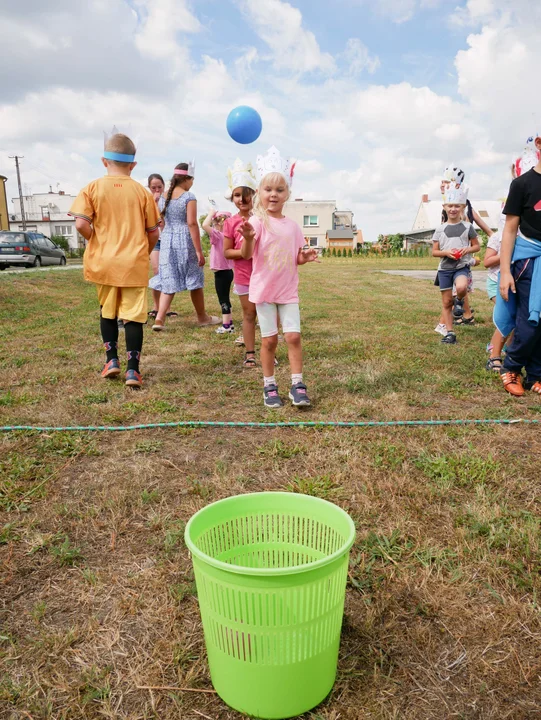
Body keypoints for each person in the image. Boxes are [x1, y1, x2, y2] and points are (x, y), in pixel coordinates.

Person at [69, 129, 161, 388]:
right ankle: (133, 370)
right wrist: (143, 250)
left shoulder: (92, 188)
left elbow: (79, 224)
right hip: (133, 262)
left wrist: (96, 239)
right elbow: (153, 231)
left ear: (104, 161)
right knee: (133, 317)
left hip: (104, 262)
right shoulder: (143, 193)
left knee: (107, 312)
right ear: (133, 164)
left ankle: (111, 360)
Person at [239, 146, 319, 407]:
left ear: (287, 194)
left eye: (279, 190)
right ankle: (269, 386)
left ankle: (297, 383)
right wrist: (249, 238)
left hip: (288, 291)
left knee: (293, 336)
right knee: (270, 340)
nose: (273, 195)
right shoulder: (257, 223)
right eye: (268, 190)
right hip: (264, 291)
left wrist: (303, 258)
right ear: (259, 194)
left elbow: (295, 255)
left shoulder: (293, 226)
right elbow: (246, 253)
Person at [149, 161, 219, 331]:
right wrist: (198, 251)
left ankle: (159, 319)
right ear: (187, 179)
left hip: (167, 241)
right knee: (194, 279)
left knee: (169, 278)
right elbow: (192, 224)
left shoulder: (163, 197)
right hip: (185, 241)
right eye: (192, 180)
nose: (192, 183)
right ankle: (202, 317)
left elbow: (162, 222)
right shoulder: (189, 197)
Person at [496, 135, 541, 397]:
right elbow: (510, 230)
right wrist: (504, 272)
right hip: (528, 260)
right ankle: (511, 366)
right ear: (539, 143)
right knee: (530, 322)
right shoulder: (522, 184)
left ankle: (536, 373)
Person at [433, 166, 493, 335]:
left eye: (445, 181)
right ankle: (465, 315)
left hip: (462, 256)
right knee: (458, 290)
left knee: (458, 289)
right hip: (450, 257)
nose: (441, 185)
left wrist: (490, 236)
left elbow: (473, 223)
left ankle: (445, 323)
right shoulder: (449, 206)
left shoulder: (460, 209)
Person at [432, 185, 480, 345]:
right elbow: (434, 252)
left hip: (461, 266)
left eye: (457, 206)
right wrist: (446, 253)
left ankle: (459, 301)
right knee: (446, 302)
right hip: (445, 269)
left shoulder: (468, 227)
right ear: (444, 207)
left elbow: (477, 246)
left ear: (463, 207)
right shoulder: (440, 229)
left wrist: (467, 250)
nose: (453, 209)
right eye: (450, 206)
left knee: (461, 287)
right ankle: (449, 332)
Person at [223, 159, 259, 366]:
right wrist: (245, 252)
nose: (242, 199)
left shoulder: (262, 219)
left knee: (266, 314)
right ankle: (250, 353)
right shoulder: (230, 222)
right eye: (237, 195)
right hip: (244, 276)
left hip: (264, 274)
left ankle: (268, 351)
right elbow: (227, 252)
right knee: (249, 313)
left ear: (254, 194)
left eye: (246, 194)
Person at [147, 173, 177, 320]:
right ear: (149, 188)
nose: (157, 190)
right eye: (153, 187)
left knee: (167, 273)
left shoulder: (168, 200)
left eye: (159, 187)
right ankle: (156, 306)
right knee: (157, 270)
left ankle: (167, 308)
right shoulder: (147, 201)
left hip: (166, 238)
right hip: (154, 240)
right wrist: (153, 204)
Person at [201, 208, 235, 333]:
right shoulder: (228, 237)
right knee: (226, 298)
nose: (213, 225)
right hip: (227, 272)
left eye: (215, 222)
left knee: (223, 300)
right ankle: (229, 323)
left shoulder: (218, 235)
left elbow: (204, 225)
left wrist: (210, 212)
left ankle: (226, 326)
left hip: (221, 273)